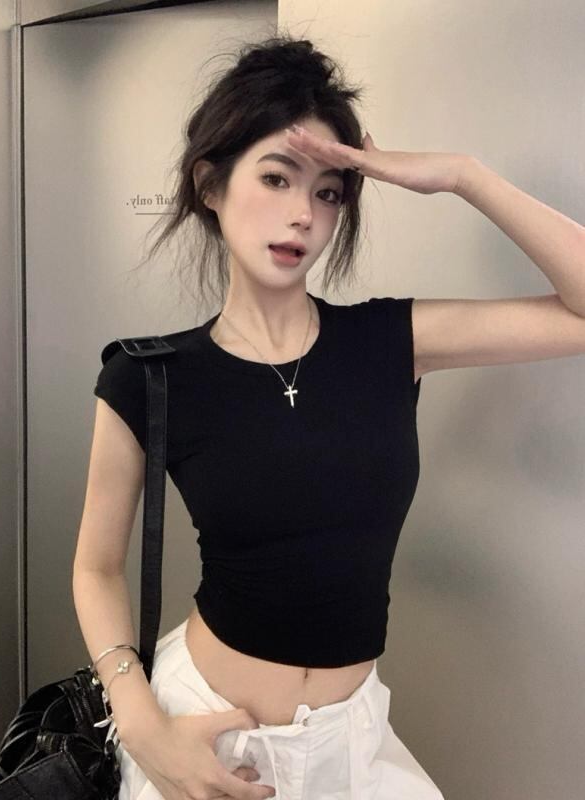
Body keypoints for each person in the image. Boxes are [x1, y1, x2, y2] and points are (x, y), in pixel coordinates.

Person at [73, 30, 585, 800]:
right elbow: (96, 567)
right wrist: (140, 721)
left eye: (327, 193)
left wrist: (462, 175)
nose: (301, 215)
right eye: (276, 178)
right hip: (201, 731)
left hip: (350, 741)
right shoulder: (148, 377)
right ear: (210, 185)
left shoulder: (389, 340)